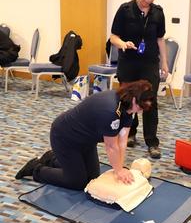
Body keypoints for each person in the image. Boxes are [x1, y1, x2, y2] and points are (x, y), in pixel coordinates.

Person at [15, 80, 153, 190]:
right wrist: (118, 170)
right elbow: (111, 147)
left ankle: (51, 159)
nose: (141, 111)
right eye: (141, 107)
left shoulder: (127, 107)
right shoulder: (110, 111)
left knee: (92, 178)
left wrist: (120, 168)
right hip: (65, 138)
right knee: (77, 182)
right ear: (134, 100)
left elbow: (121, 142)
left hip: (86, 141)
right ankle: (36, 169)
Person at [110, 0, 168, 159]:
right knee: (128, 101)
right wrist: (122, 43)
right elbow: (113, 37)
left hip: (149, 64)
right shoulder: (125, 10)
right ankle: (130, 133)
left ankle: (152, 142)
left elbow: (160, 39)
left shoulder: (158, 12)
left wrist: (164, 63)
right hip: (129, 63)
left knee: (150, 102)